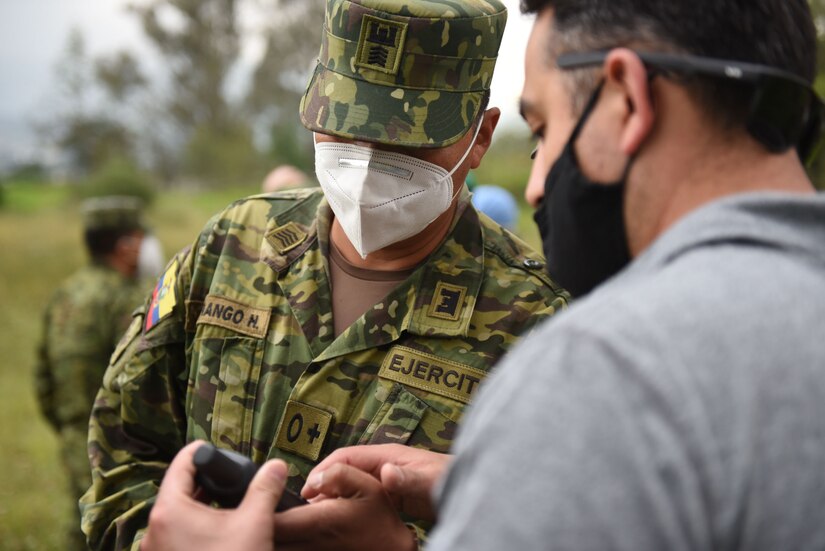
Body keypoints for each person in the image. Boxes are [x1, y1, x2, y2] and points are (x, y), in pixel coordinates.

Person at [139, 0, 825, 549]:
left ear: (626, 99)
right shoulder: (231, 242)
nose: (534, 186)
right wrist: (486, 486)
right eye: (344, 132)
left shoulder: (599, 359)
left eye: (544, 129)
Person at [81, 0, 568, 549]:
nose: (364, 160)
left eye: (406, 135)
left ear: (480, 136)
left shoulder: (540, 325)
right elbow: (123, 452)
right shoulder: (230, 246)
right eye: (344, 124)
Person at [35, 195, 162, 550]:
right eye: (138, 239)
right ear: (126, 246)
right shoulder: (126, 297)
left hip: (73, 430)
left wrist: (67, 425)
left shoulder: (67, 291)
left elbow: (42, 373)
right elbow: (143, 373)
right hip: (117, 437)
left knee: (81, 521)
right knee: (115, 528)